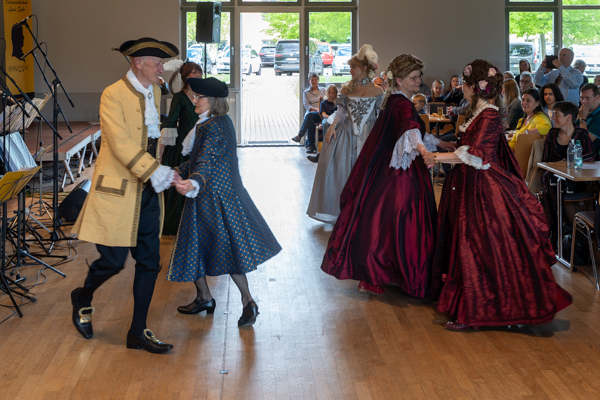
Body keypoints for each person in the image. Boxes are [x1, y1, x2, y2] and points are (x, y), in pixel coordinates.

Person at [423, 59, 572, 331]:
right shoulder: (479, 112)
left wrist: (436, 157)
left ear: (474, 87)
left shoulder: (489, 115)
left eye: (465, 83)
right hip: (470, 185)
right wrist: (442, 150)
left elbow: (477, 156)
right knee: (472, 244)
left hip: (482, 189)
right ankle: (479, 308)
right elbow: (468, 149)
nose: (462, 87)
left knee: (477, 245)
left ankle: (479, 311)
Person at [70, 38, 179, 353]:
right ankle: (82, 296)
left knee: (149, 263)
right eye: (157, 63)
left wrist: (161, 166)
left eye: (162, 64)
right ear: (138, 63)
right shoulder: (112, 94)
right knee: (113, 262)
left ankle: (137, 332)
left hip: (148, 192)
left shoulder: (154, 91)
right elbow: (119, 143)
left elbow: (151, 137)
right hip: (118, 192)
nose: (162, 69)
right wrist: (154, 170)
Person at [320, 53, 455, 296]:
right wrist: (426, 151)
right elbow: (411, 132)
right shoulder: (402, 104)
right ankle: (398, 274)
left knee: (384, 222)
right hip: (400, 173)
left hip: (387, 167)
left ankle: (375, 274)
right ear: (400, 80)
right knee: (403, 220)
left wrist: (440, 144)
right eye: (414, 77)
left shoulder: (394, 100)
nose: (419, 81)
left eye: (419, 76)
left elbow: (411, 130)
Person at [167, 77, 281, 327]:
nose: (195, 101)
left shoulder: (212, 126)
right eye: (195, 96)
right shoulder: (217, 122)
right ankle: (212, 298)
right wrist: (176, 171)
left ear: (214, 101)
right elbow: (199, 159)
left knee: (207, 247)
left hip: (212, 198)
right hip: (220, 195)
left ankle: (240, 300)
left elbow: (205, 161)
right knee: (216, 247)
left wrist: (193, 180)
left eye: (200, 97)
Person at [307, 44, 383, 223]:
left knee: (367, 172)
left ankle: (365, 213)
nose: (351, 70)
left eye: (353, 67)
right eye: (350, 67)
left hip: (369, 134)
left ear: (364, 68)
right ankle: (346, 212)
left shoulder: (378, 91)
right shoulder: (347, 89)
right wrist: (333, 126)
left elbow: (381, 114)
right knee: (343, 170)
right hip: (347, 133)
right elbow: (341, 111)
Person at [540, 101, 595, 246]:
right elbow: (545, 161)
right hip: (555, 179)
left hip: (576, 179)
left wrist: (570, 161)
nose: (553, 118)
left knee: (555, 184)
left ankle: (558, 228)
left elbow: (591, 155)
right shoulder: (552, 134)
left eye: (557, 115)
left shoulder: (581, 134)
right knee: (548, 178)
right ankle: (562, 226)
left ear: (569, 117)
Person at [159, 62, 203, 235]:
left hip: (202, 143)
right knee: (183, 182)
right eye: (193, 73)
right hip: (184, 145)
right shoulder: (180, 97)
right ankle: (177, 224)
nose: (197, 76)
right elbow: (171, 122)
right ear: (185, 77)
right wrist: (163, 147)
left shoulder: (204, 95)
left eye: (199, 72)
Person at [292, 72, 326, 153]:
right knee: (310, 119)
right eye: (312, 80)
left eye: (316, 79)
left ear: (318, 80)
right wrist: (315, 109)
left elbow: (327, 101)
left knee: (309, 116)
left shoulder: (323, 90)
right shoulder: (306, 92)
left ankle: (301, 136)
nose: (314, 81)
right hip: (312, 113)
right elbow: (306, 105)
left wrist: (320, 109)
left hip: (321, 113)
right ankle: (311, 145)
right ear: (309, 81)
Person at [308, 84, 338, 163]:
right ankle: (326, 140)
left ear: (336, 93)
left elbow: (339, 114)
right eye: (329, 93)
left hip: (336, 119)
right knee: (326, 123)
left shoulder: (337, 102)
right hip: (327, 118)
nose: (331, 95)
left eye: (333, 93)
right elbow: (324, 114)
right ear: (326, 93)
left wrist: (334, 120)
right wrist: (330, 118)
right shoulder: (323, 103)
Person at [578, 83, 600, 154]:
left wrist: (582, 119)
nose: (583, 102)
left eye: (587, 98)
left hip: (593, 157)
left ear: (597, 98)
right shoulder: (583, 111)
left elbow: (585, 141)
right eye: (581, 98)